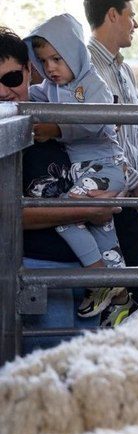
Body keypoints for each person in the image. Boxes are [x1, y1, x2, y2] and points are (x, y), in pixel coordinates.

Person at [1, 26, 123, 351]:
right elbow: (7, 211)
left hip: (83, 273)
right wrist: (87, 210)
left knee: (85, 372)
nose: (3, 91)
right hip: (38, 271)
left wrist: (111, 192)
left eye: (12, 78)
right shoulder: (7, 130)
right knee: (52, 376)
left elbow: (103, 150)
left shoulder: (55, 107)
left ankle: (117, 291)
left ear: (29, 70)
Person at [84, 0, 138, 307]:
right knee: (110, 300)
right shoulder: (83, 68)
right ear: (113, 14)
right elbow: (98, 140)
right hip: (105, 204)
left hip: (135, 200)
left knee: (133, 294)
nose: (135, 24)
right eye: (131, 15)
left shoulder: (124, 69)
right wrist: (136, 181)